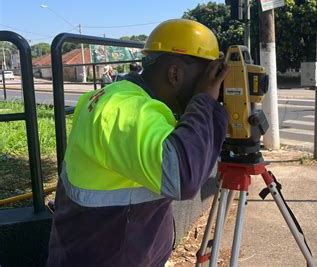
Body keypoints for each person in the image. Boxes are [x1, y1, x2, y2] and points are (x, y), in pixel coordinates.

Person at [47, 19, 230, 266]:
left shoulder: (115, 95)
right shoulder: (125, 109)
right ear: (175, 73)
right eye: (207, 75)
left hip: (94, 246)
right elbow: (182, 177)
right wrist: (204, 102)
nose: (214, 85)